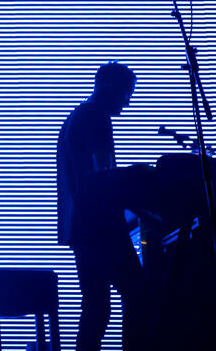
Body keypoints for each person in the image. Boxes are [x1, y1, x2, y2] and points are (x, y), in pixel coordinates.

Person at [56, 61, 144, 351]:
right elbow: (102, 175)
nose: (127, 102)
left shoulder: (75, 117)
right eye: (126, 93)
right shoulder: (95, 117)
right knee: (138, 293)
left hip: (81, 227)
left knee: (96, 305)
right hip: (101, 226)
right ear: (109, 86)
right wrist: (139, 179)